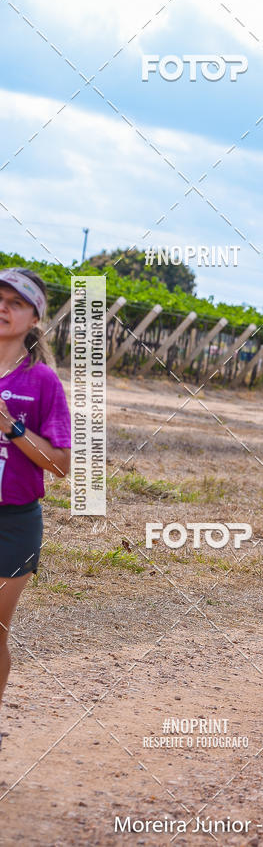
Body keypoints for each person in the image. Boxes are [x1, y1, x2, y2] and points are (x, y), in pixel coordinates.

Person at [0, 268, 71, 746]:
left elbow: (60, 465)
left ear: (34, 319)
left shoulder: (42, 381)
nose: (3, 307)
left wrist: (12, 428)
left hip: (13, 523)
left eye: (15, 302)